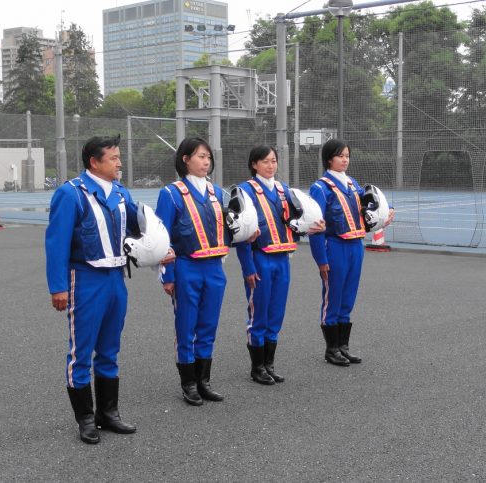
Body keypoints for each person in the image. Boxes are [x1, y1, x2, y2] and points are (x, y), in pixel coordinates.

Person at [45, 135, 174, 444]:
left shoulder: (119, 193)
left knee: (110, 349)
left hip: (116, 278)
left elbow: (140, 227)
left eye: (119, 157)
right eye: (113, 157)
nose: (120, 162)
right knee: (81, 352)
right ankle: (86, 419)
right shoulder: (71, 194)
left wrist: (159, 250)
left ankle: (108, 413)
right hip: (85, 278)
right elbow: (56, 244)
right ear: (94, 162)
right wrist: (58, 288)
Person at [155, 137, 240, 406]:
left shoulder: (215, 192)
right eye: (201, 156)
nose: (206, 162)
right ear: (185, 159)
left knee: (208, 325)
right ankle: (188, 383)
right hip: (186, 267)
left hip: (214, 268)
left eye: (208, 157)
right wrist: (168, 276)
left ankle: (204, 381)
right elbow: (161, 237)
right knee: (186, 326)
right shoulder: (170, 193)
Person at [235, 146, 326, 385]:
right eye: (265, 161)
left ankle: (269, 364)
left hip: (282, 258)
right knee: (259, 314)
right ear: (254, 164)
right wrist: (248, 268)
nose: (270, 165)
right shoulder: (244, 191)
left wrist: (311, 227)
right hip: (259, 258)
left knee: (276, 313)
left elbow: (295, 223)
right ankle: (257, 367)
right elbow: (242, 233)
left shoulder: (284, 190)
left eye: (274, 161)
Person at [309, 139, 394, 366]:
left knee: (348, 297)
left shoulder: (353, 183)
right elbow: (315, 227)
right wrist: (321, 260)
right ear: (329, 159)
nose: (345, 159)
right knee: (333, 297)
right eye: (340, 156)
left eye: (347, 155)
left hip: (356, 246)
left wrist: (383, 217)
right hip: (334, 246)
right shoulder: (320, 187)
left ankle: (343, 347)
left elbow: (366, 214)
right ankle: (331, 349)